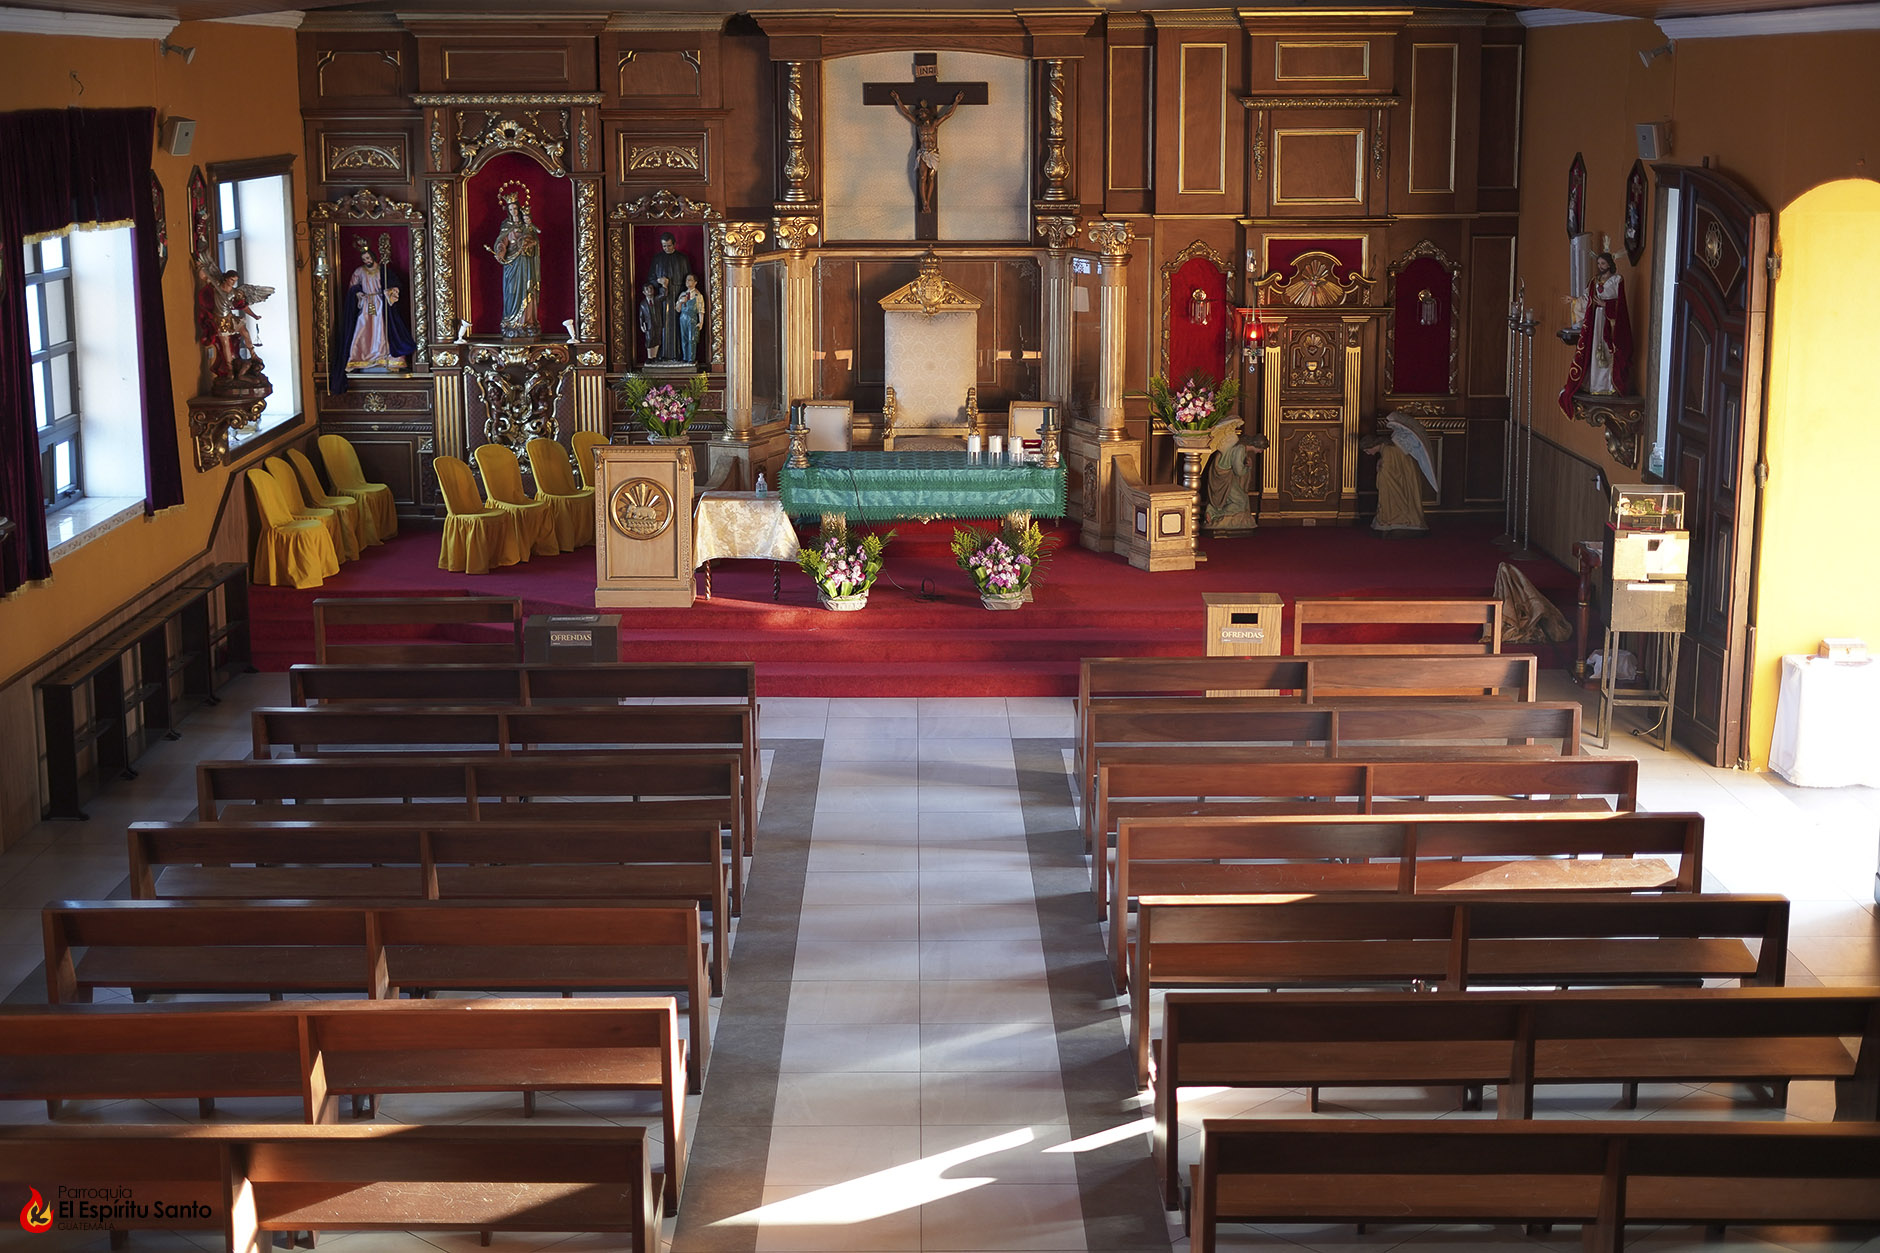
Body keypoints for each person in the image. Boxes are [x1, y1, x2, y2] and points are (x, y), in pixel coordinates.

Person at [331, 235, 414, 394]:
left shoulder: (382, 270)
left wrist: (389, 292)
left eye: (368, 257)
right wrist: (359, 295)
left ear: (373, 257)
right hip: (366, 305)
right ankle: (361, 359)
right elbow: (353, 288)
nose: (366, 260)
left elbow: (395, 284)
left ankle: (386, 359)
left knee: (382, 331)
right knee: (363, 331)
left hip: (381, 304)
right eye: (364, 258)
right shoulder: (359, 271)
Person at [1558, 250, 1633, 412]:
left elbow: (1621, 305)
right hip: (1595, 320)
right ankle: (1593, 383)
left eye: (1603, 264)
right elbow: (1587, 298)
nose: (1600, 267)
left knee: (1607, 351)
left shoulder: (1617, 280)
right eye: (1599, 264)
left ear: (1610, 264)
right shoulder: (1594, 281)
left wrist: (1607, 306)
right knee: (1593, 352)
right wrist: (1575, 301)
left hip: (1610, 321)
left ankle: (1607, 385)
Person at [1363, 411, 1438, 536]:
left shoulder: (1389, 450)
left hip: (1398, 483)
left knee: (1397, 502)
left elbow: (1388, 475)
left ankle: (1396, 521)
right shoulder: (1389, 446)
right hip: (1403, 479)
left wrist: (1380, 473)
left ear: (1372, 445)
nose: (1367, 453)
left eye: (1367, 450)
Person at [891, 90, 963, 213]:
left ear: (928, 113)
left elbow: (948, 114)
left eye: (923, 112)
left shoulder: (934, 124)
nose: (921, 114)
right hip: (924, 153)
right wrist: (898, 100)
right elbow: (906, 113)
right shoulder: (919, 125)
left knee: (931, 177)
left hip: (933, 153)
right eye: (920, 113)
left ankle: (927, 201)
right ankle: (925, 202)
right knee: (923, 176)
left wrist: (956, 102)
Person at [487, 187, 540, 339]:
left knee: (527, 289)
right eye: (511, 208)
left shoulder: (526, 225)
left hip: (526, 262)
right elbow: (501, 242)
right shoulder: (506, 225)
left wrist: (528, 242)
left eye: (515, 208)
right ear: (507, 210)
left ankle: (528, 322)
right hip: (512, 263)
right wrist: (500, 252)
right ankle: (511, 321)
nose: (514, 211)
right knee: (512, 290)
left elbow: (535, 241)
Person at [1203, 425, 1270, 533]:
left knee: (1236, 499)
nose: (1261, 452)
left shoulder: (1241, 446)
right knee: (1241, 501)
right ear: (1257, 445)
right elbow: (1239, 471)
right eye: (1262, 449)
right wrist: (1248, 467)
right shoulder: (1240, 449)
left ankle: (1212, 513)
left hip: (1226, 476)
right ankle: (1214, 514)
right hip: (1225, 477)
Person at [645, 232, 693, 362]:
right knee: (662, 325)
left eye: (669, 246)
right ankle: (662, 354)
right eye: (664, 246)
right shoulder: (657, 258)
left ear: (674, 244)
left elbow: (688, 278)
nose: (666, 248)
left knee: (678, 325)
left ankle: (678, 354)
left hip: (678, 294)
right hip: (662, 296)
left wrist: (684, 296)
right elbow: (651, 278)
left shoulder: (682, 258)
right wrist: (659, 282)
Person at [674, 272, 704, 365]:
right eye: (687, 280)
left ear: (695, 282)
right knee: (684, 338)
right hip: (683, 317)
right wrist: (680, 302)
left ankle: (691, 357)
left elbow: (701, 309)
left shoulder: (698, 295)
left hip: (692, 318)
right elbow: (678, 309)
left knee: (692, 338)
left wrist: (701, 322)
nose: (687, 282)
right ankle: (685, 357)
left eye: (690, 280)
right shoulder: (683, 294)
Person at [638, 282, 662, 362]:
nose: (650, 291)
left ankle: (654, 356)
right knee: (649, 339)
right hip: (649, 324)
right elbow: (641, 316)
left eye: (651, 288)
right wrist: (642, 325)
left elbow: (664, 295)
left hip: (657, 323)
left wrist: (664, 286)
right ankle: (649, 356)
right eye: (647, 289)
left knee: (657, 339)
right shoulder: (643, 304)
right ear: (644, 292)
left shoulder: (657, 300)